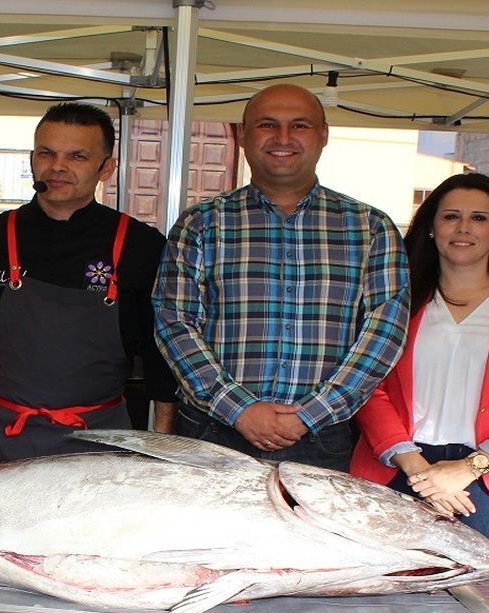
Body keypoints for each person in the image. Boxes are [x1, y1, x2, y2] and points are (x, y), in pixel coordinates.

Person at [155, 84, 409, 471]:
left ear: (323, 135)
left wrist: (310, 414)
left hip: (321, 437)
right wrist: (238, 408)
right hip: (213, 431)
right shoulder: (201, 223)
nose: (283, 137)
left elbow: (384, 332)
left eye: (300, 125)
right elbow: (174, 320)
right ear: (243, 135)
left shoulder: (371, 228)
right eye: (268, 124)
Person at [0, 103, 176, 466]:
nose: (57, 166)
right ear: (32, 159)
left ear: (106, 168)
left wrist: (162, 451)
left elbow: (159, 357)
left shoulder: (141, 246)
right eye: (46, 153)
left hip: (98, 446)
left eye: (77, 156)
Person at [351, 173, 489, 541]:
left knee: (475, 575)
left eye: (479, 218)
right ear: (431, 227)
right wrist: (417, 468)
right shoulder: (393, 294)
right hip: (398, 462)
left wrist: (469, 468)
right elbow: (367, 383)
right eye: (451, 216)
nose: (463, 228)